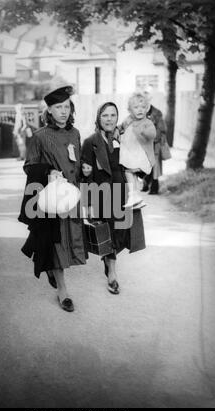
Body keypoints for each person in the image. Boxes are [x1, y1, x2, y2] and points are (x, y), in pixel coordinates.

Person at [19, 86, 87, 312]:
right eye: (58, 107)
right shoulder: (39, 137)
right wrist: (48, 172)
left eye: (67, 107)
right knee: (57, 241)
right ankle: (63, 291)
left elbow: (76, 163)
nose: (63, 111)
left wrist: (84, 171)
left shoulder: (75, 133)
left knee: (70, 240)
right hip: (53, 199)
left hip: (72, 197)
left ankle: (52, 270)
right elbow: (29, 166)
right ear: (49, 110)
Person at [81, 102, 146, 295]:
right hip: (102, 196)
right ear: (98, 118)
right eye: (105, 115)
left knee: (122, 233)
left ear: (117, 118)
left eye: (113, 115)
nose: (109, 119)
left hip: (123, 194)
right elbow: (86, 175)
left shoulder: (124, 138)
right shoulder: (90, 142)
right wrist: (89, 203)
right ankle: (112, 274)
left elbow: (136, 162)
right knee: (107, 233)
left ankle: (108, 261)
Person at [119, 92, 156, 209]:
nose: (140, 110)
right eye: (136, 107)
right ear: (130, 110)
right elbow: (121, 128)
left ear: (147, 109)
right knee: (130, 173)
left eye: (143, 107)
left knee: (129, 172)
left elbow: (153, 134)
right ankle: (135, 196)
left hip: (140, 155)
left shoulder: (147, 122)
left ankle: (133, 195)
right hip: (131, 154)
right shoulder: (128, 120)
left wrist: (145, 132)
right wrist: (117, 131)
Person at [142, 93, 169, 195]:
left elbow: (163, 129)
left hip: (155, 143)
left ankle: (154, 188)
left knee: (155, 167)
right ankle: (146, 183)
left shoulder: (157, 113)